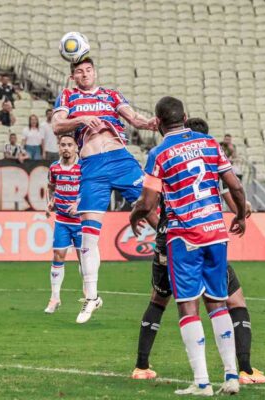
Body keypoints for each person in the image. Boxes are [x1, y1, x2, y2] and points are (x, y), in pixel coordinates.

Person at [131, 117, 265, 386]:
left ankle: (142, 364)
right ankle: (240, 370)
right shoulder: (205, 156)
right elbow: (229, 191)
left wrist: (159, 228)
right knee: (229, 302)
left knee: (160, 302)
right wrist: (242, 210)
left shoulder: (168, 159)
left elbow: (148, 204)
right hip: (203, 236)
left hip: (172, 241)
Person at [52, 57, 156, 323]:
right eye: (79, 72)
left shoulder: (111, 95)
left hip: (121, 160)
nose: (85, 74)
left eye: (88, 70)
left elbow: (134, 119)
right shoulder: (67, 97)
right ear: (73, 77)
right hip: (92, 168)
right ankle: (92, 298)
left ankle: (179, 249)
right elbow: (57, 125)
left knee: (154, 211)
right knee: (89, 237)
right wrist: (83, 119)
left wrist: (151, 123)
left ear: (95, 72)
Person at [44, 134, 82, 313]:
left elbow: (90, 190)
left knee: (84, 259)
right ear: (59, 147)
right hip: (62, 220)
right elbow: (50, 187)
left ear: (76, 147)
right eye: (62, 145)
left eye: (69, 145)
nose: (66, 148)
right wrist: (50, 202)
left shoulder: (83, 167)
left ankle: (89, 296)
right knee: (58, 255)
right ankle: (55, 298)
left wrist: (78, 203)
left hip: (81, 221)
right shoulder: (54, 168)